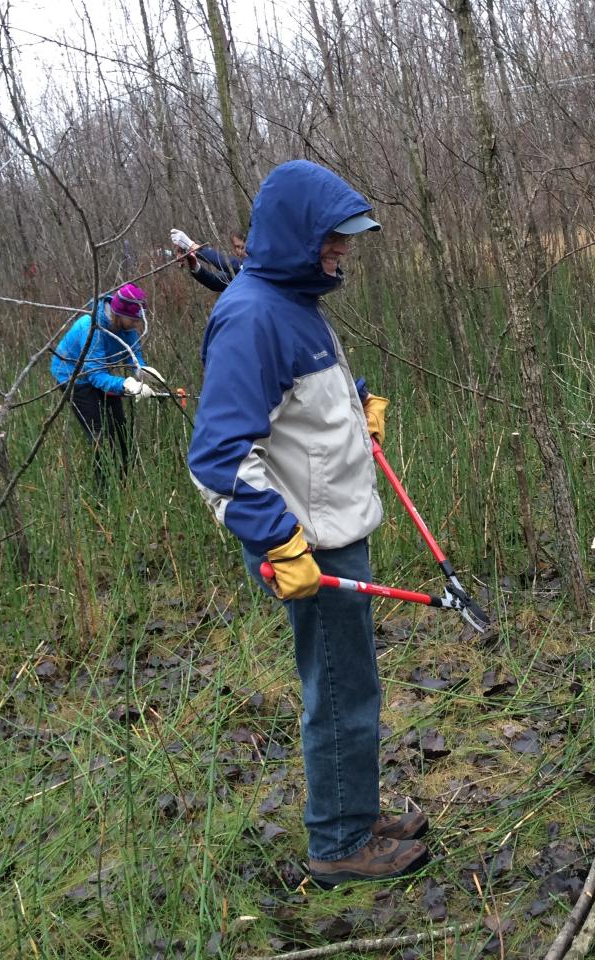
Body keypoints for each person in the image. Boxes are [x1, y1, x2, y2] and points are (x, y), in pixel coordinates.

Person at [187, 160, 419, 889]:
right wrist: (277, 540)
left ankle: (357, 809)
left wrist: (355, 402)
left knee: (355, 684)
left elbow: (298, 388)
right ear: (296, 235)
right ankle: (340, 843)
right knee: (341, 691)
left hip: (337, 525)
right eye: (333, 240)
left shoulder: (290, 299)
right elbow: (217, 455)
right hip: (309, 547)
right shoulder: (252, 315)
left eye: (347, 240)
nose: (343, 252)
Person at [49, 282, 163, 477]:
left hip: (100, 373)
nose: (137, 324)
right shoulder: (91, 328)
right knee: (101, 437)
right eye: (133, 320)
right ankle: (102, 495)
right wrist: (126, 385)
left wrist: (143, 372)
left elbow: (134, 356)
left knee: (120, 426)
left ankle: (126, 478)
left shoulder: (127, 329)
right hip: (73, 377)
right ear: (119, 314)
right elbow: (94, 376)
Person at [169, 227, 245, 293]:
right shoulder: (240, 272)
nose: (239, 252)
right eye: (236, 247)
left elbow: (229, 264)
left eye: (241, 247)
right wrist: (195, 266)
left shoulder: (253, 265)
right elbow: (216, 282)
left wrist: (191, 246)